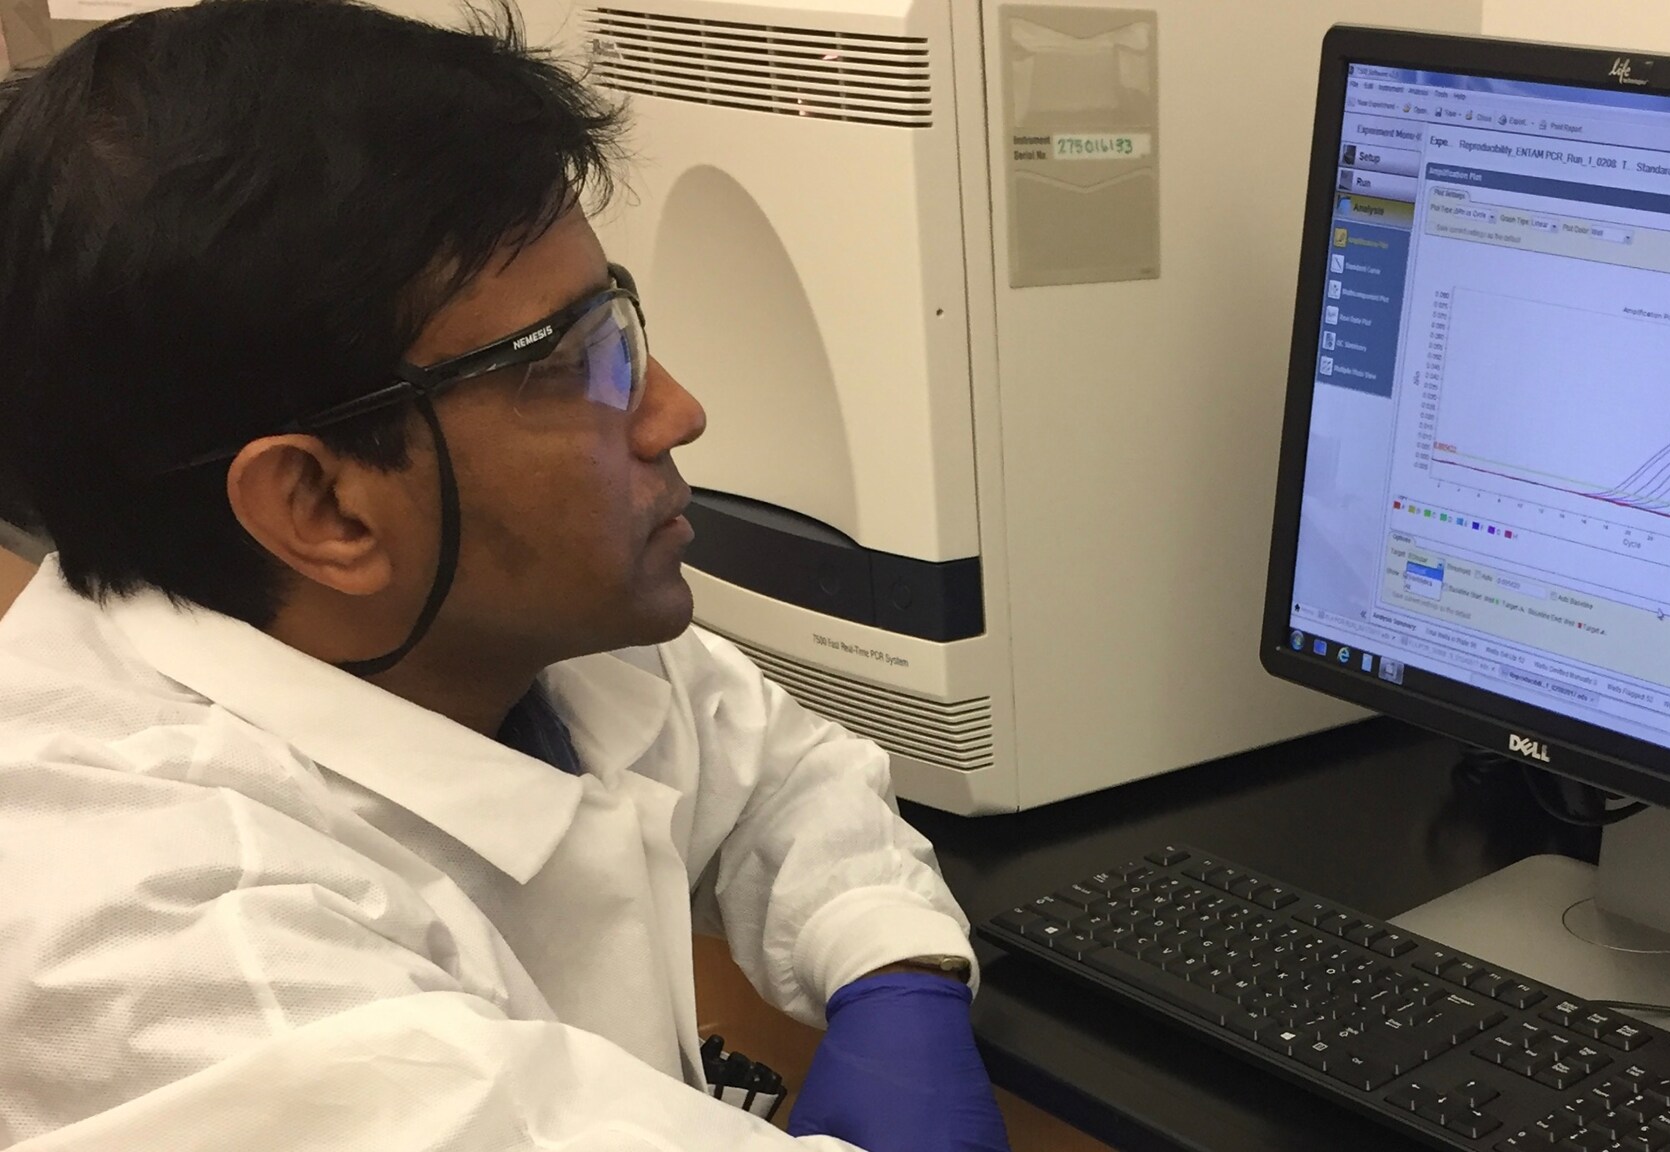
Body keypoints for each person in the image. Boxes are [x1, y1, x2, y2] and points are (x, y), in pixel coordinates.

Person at [0, 2, 1010, 1149]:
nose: (676, 410)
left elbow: (771, 764)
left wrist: (893, 967)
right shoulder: (188, 968)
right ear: (322, 506)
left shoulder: (465, 642)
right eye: (580, 362)